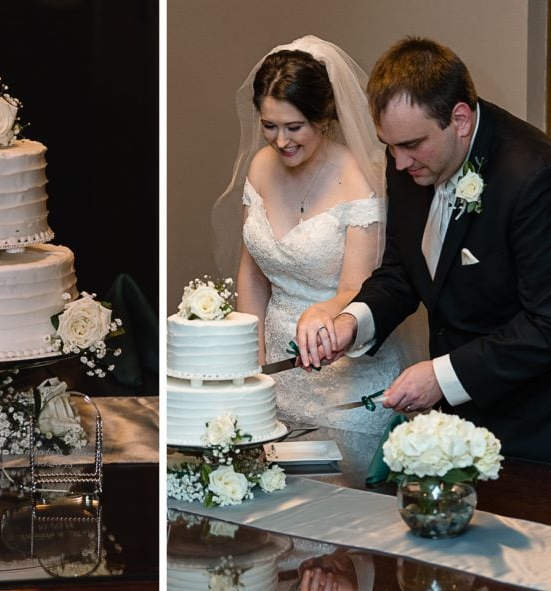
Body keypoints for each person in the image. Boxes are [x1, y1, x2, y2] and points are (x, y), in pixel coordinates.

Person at [333, 36, 551, 462]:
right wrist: (354, 321)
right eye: (388, 145)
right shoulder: (407, 159)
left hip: (532, 435)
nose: (397, 163)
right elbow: (401, 270)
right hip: (453, 429)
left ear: (461, 119)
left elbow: (546, 324)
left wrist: (442, 376)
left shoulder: (533, 177)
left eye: (412, 145)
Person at [212, 36, 426, 435]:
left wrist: (324, 313)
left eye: (294, 127)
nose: (281, 141)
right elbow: (253, 276)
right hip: (275, 362)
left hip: (343, 371)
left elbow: (356, 289)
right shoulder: (260, 167)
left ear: (323, 118)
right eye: (269, 126)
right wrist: (250, 368)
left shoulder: (358, 181)